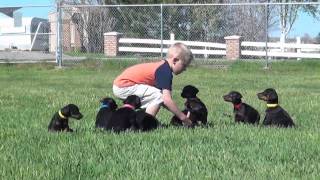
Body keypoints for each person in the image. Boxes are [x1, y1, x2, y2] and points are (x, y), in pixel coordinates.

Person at [112, 42, 193, 125]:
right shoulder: (165, 72)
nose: (185, 69)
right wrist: (184, 118)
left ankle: (135, 120)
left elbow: (165, 102)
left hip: (121, 85)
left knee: (156, 96)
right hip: (124, 86)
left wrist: (179, 113)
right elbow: (166, 100)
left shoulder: (163, 67)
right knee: (158, 96)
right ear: (175, 60)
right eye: (184, 65)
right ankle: (145, 124)